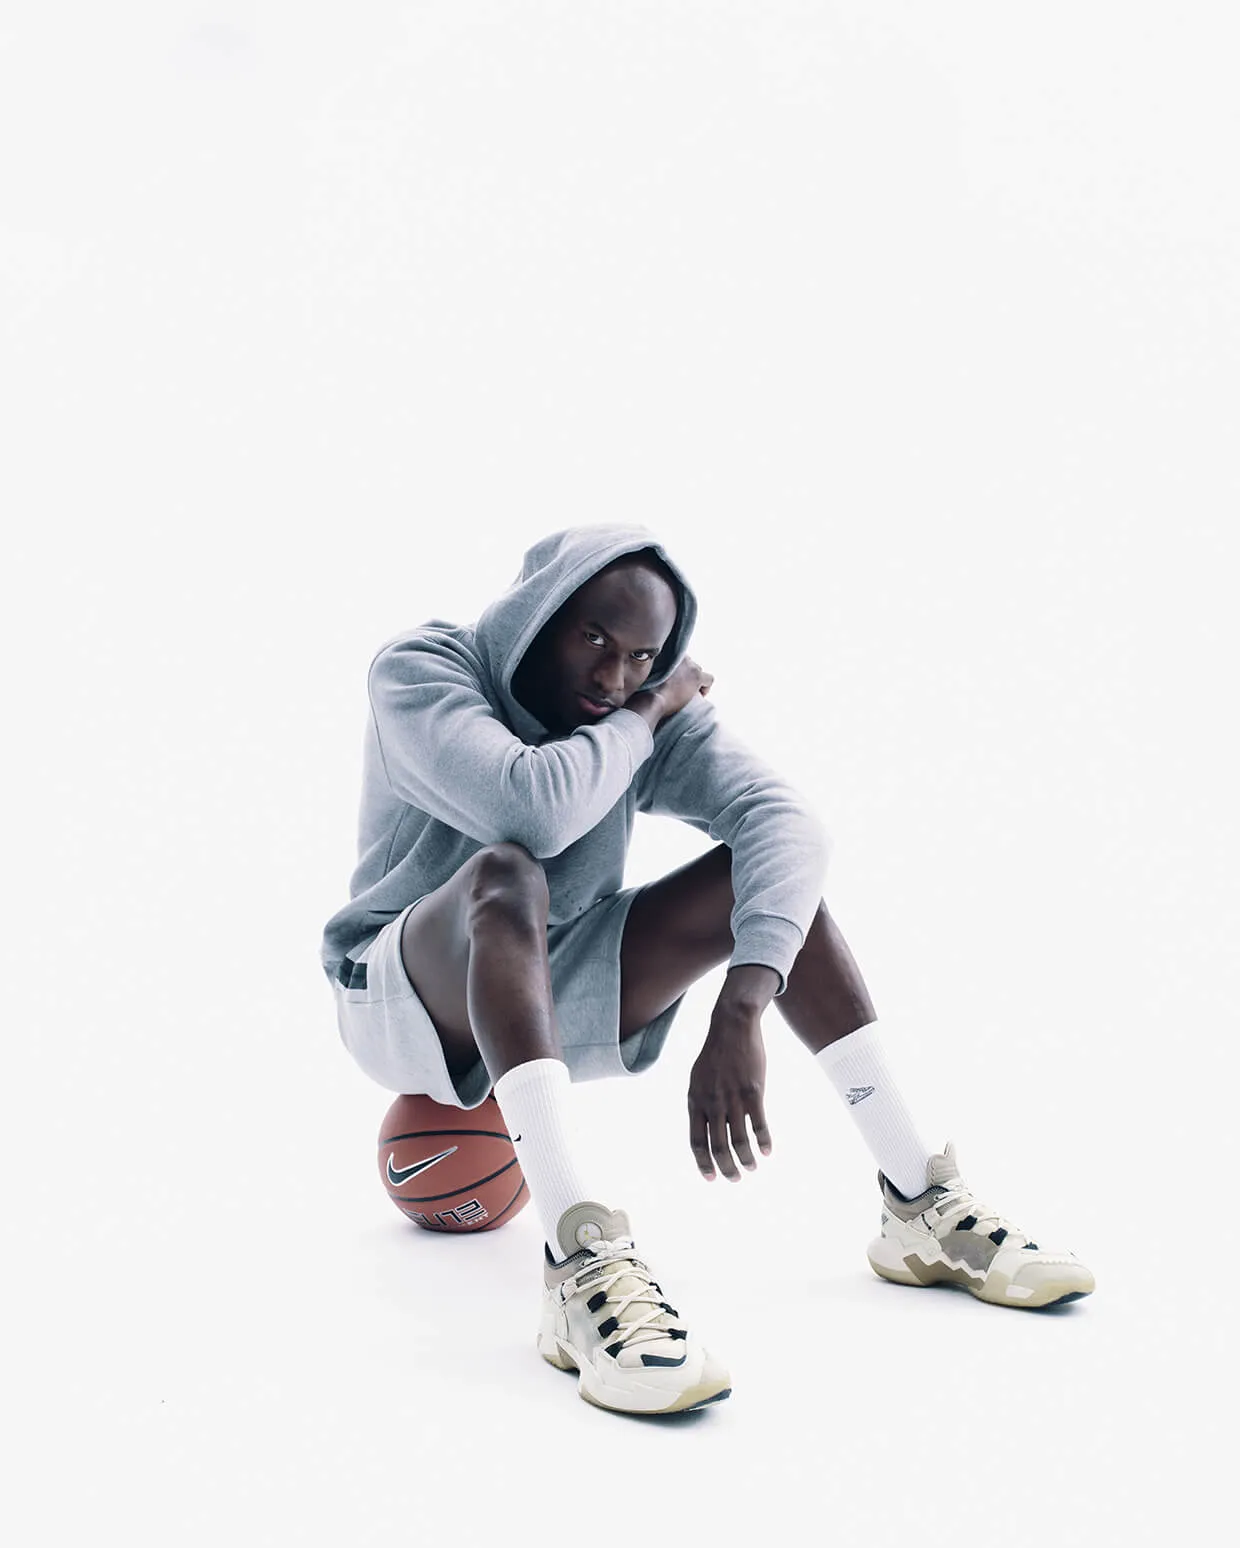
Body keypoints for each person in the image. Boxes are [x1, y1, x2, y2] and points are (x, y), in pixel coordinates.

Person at [321, 523, 1093, 1416]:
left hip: (550, 980)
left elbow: (786, 823)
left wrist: (744, 1004)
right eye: (596, 641)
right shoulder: (422, 672)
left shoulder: (621, 706)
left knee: (764, 882)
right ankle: (577, 1263)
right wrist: (646, 718)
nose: (615, 679)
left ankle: (918, 1203)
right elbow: (524, 811)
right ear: (541, 616)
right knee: (506, 873)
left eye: (643, 657)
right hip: (397, 995)